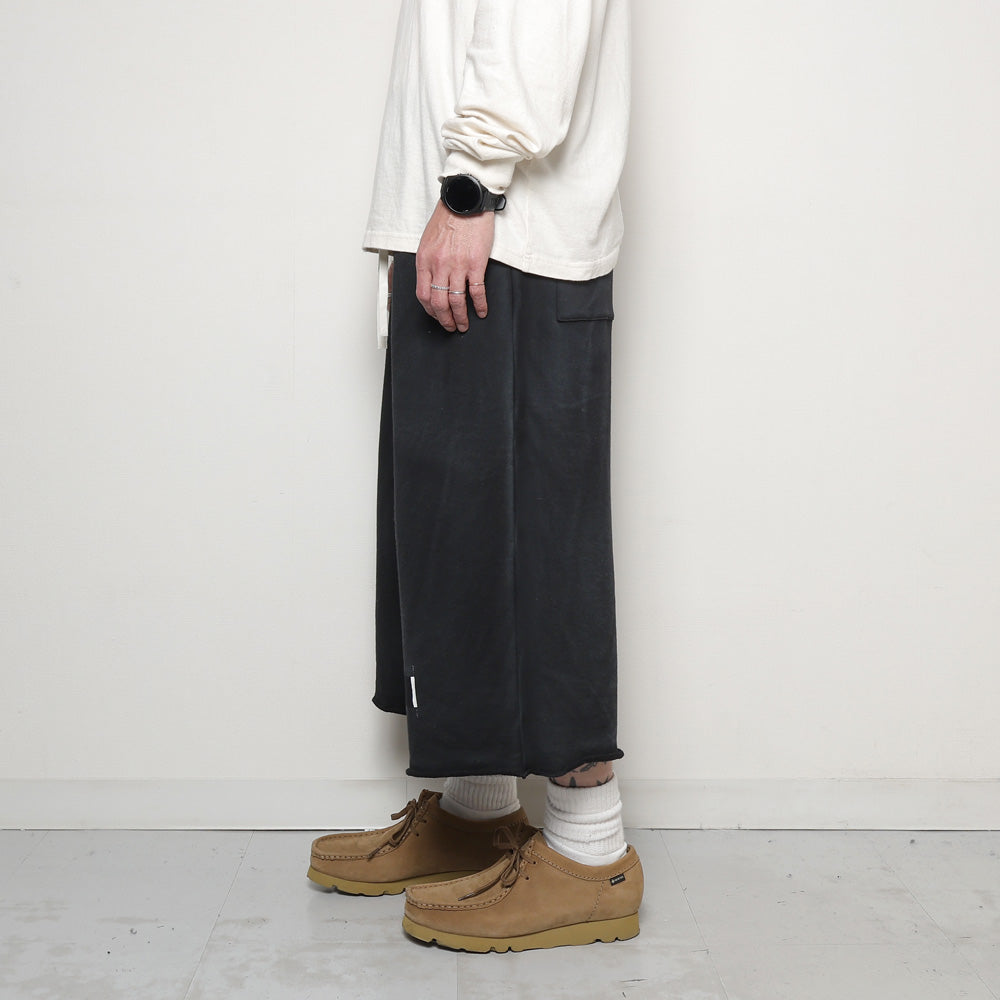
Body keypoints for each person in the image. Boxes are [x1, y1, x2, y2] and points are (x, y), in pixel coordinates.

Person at [308, 0, 641, 952]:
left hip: (505, 231)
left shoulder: (479, 201)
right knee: (452, 538)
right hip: (471, 225)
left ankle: (589, 850)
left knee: (538, 540)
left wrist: (469, 191)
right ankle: (477, 812)